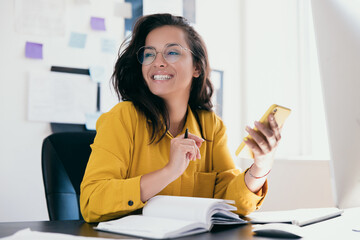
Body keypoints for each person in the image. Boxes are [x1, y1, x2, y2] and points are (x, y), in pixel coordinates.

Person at [80, 13, 281, 223]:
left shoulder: (211, 127)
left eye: (172, 52)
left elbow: (232, 204)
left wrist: (261, 166)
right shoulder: (121, 118)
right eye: (149, 54)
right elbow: (92, 202)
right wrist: (169, 172)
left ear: (197, 67)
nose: (157, 62)